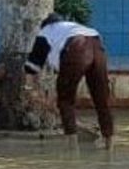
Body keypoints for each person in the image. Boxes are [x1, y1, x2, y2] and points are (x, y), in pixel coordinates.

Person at [24, 13, 114, 149]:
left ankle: (72, 145)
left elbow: (33, 64)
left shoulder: (45, 32)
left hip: (76, 48)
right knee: (102, 98)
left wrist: (29, 88)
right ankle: (109, 143)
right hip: (97, 45)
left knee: (65, 100)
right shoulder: (70, 27)